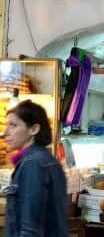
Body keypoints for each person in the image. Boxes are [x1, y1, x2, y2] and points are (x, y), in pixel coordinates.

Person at [3, 100, 69, 237]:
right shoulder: (48, 161)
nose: (5, 132)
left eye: (13, 125)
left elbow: (30, 228)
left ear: (34, 129)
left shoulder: (32, 164)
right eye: (6, 125)